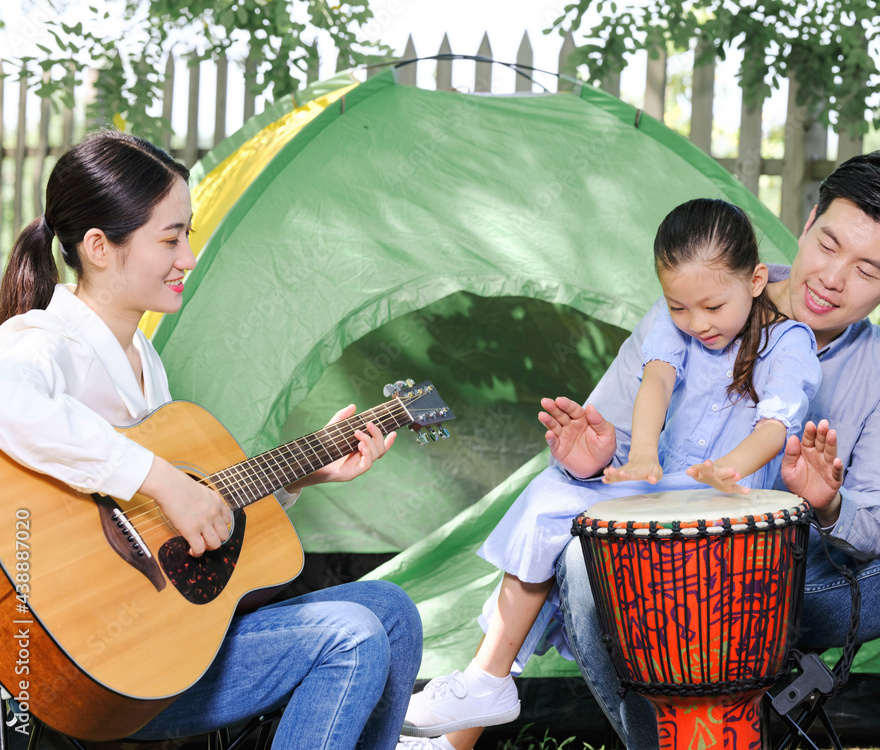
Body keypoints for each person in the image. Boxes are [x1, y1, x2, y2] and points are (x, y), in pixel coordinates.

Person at [543, 151, 880, 749]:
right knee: (581, 560)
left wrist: (829, 504)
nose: (832, 278)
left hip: (803, 588)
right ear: (808, 223)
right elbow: (605, 459)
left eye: (868, 270)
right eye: (829, 244)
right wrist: (589, 458)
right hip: (663, 580)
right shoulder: (703, 301)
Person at [0, 130, 422, 749]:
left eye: (187, 235)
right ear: (98, 247)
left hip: (167, 648)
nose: (188, 257)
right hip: (94, 664)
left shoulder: (143, 358)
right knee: (350, 633)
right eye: (170, 238)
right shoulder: (43, 340)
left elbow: (180, 530)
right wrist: (162, 479)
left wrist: (303, 473)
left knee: (393, 614)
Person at [399, 199, 822, 749]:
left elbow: (776, 427)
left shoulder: (789, 343)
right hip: (666, 490)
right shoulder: (676, 329)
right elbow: (657, 382)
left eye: (713, 306)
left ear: (757, 279)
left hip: (729, 508)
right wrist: (643, 454)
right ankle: (485, 682)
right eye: (680, 308)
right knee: (553, 492)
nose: (698, 323)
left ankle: (476, 698)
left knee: (567, 522)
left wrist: (729, 468)